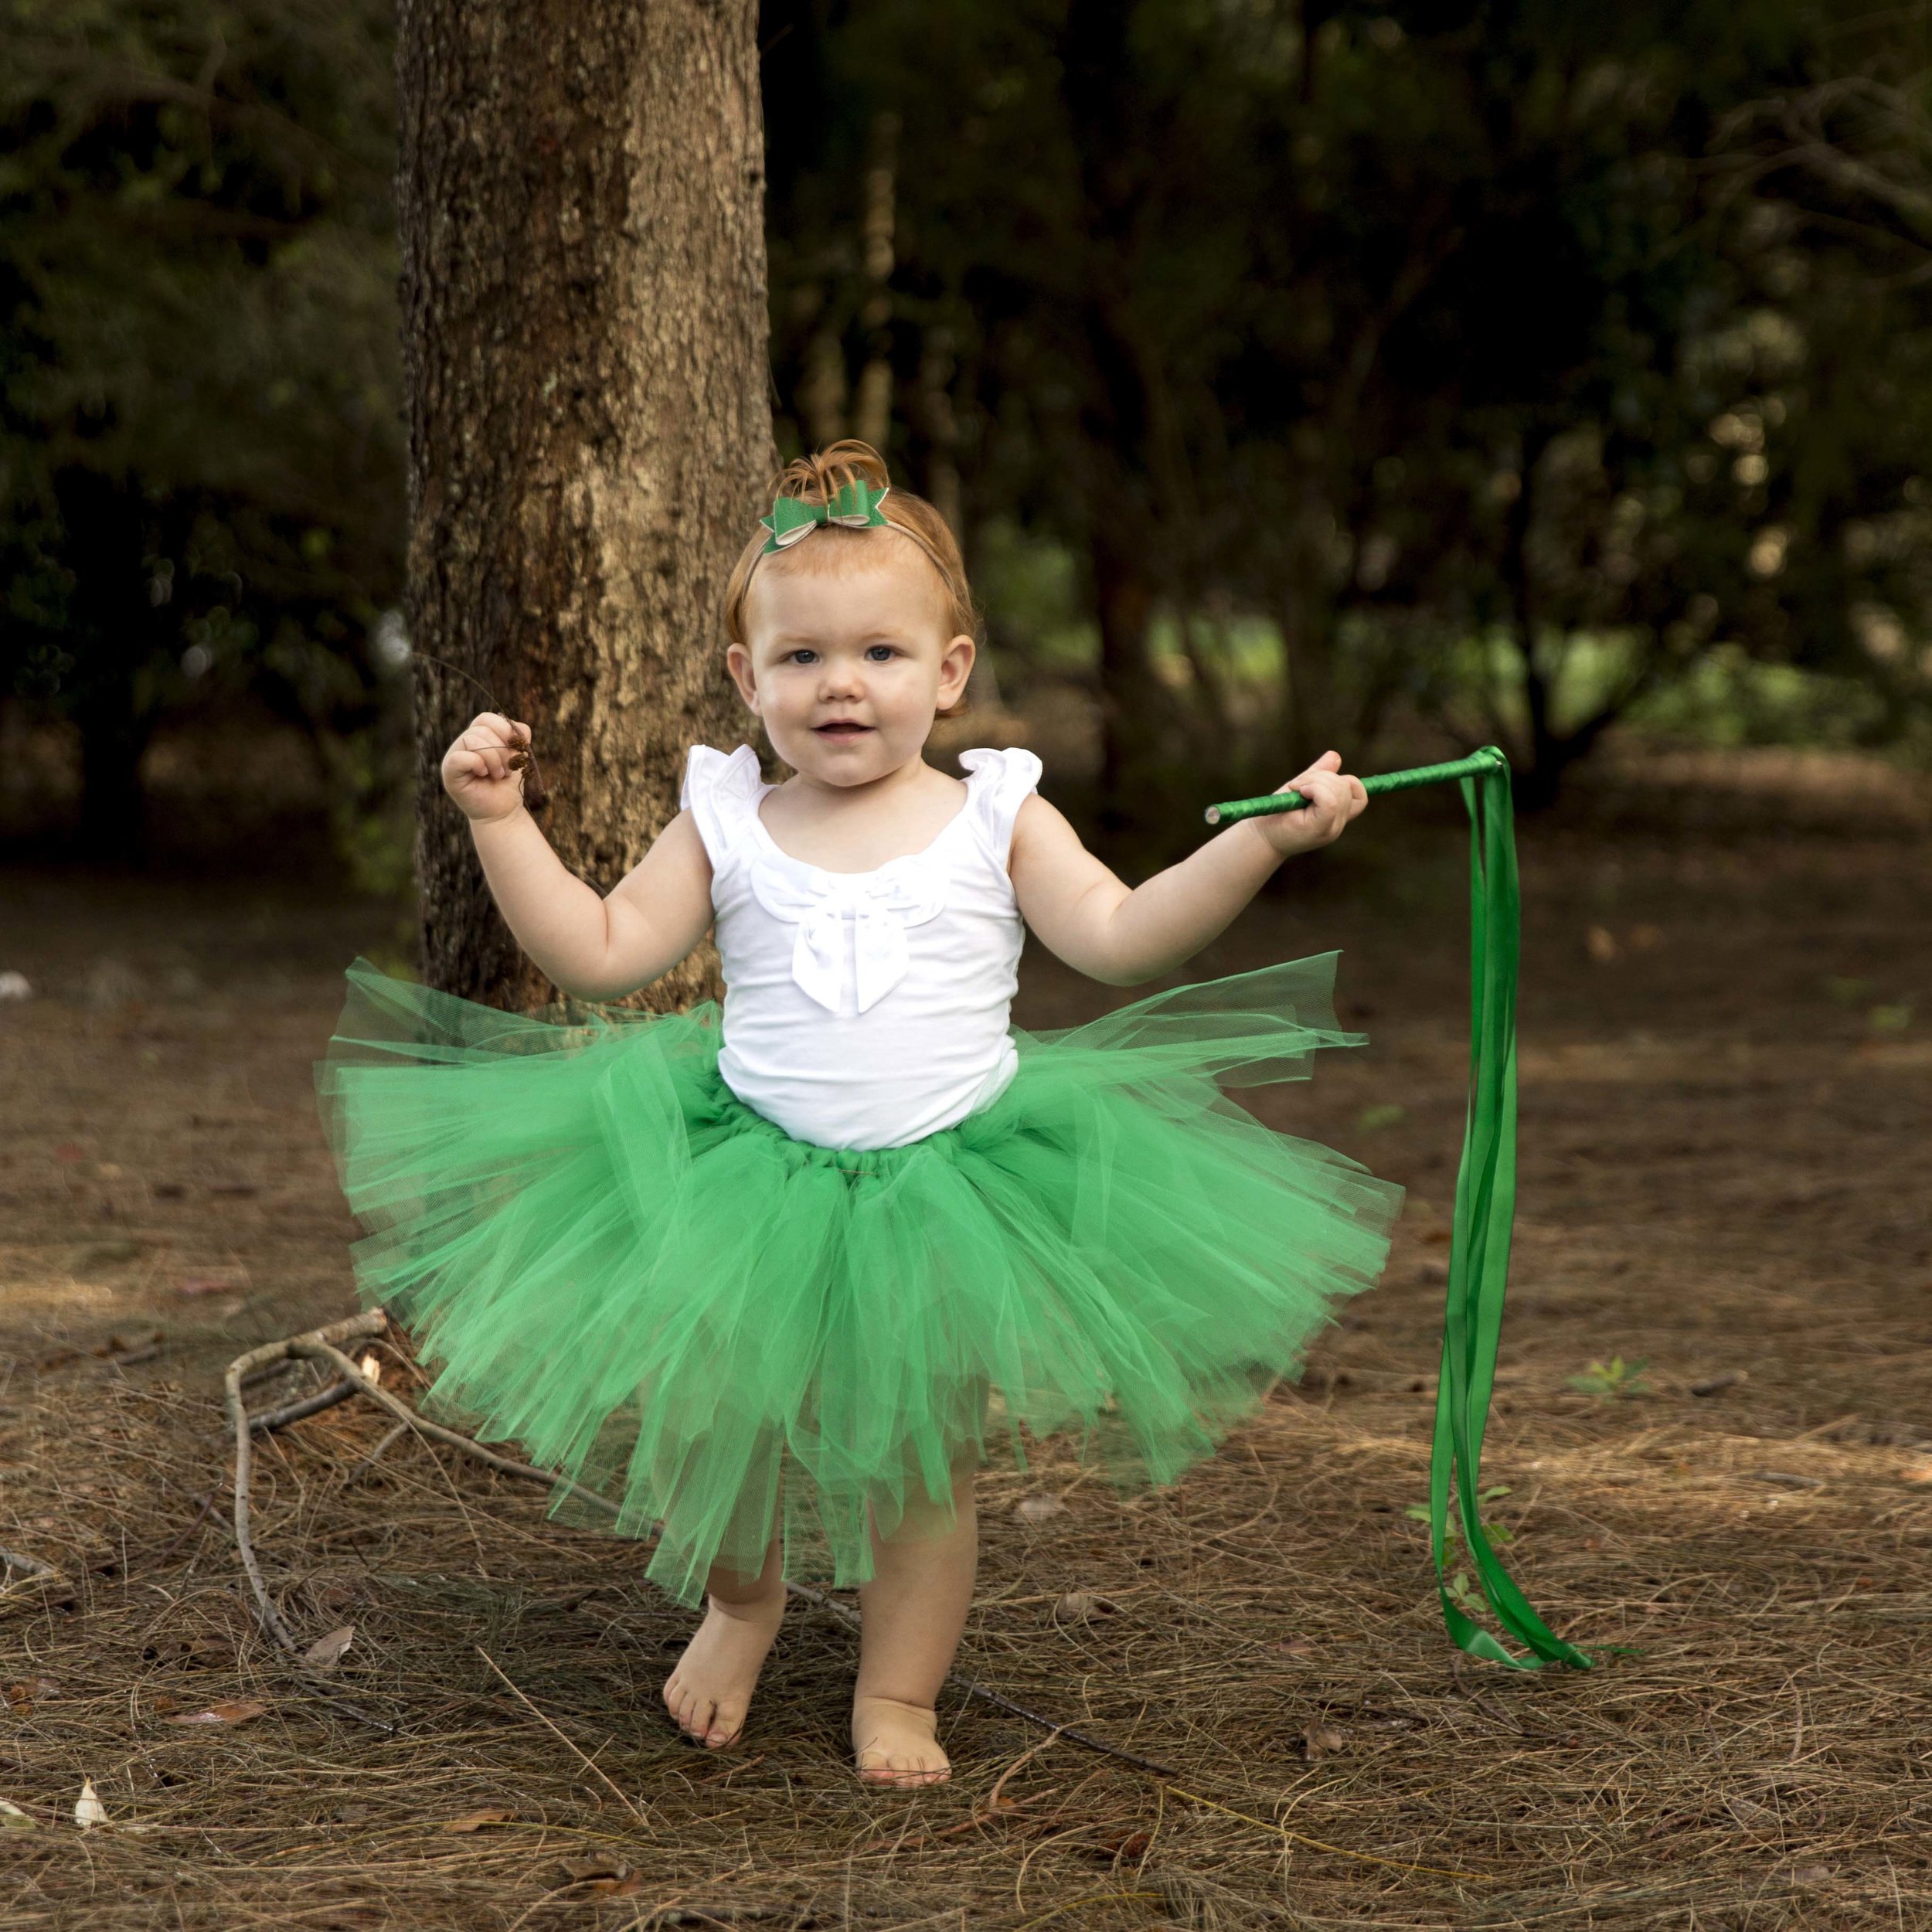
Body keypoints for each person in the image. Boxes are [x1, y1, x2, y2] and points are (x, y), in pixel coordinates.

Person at [316, 440, 1403, 1788]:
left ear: (947, 673)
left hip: (952, 1179)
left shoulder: (995, 808)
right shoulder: (725, 814)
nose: (842, 683)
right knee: (712, 1425)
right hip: (746, 1176)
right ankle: (742, 1602)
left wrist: (1261, 841)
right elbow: (598, 952)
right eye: (802, 658)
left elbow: (1122, 938)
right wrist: (500, 821)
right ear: (746, 679)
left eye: (883, 653)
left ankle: (898, 1695)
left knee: (923, 1466)